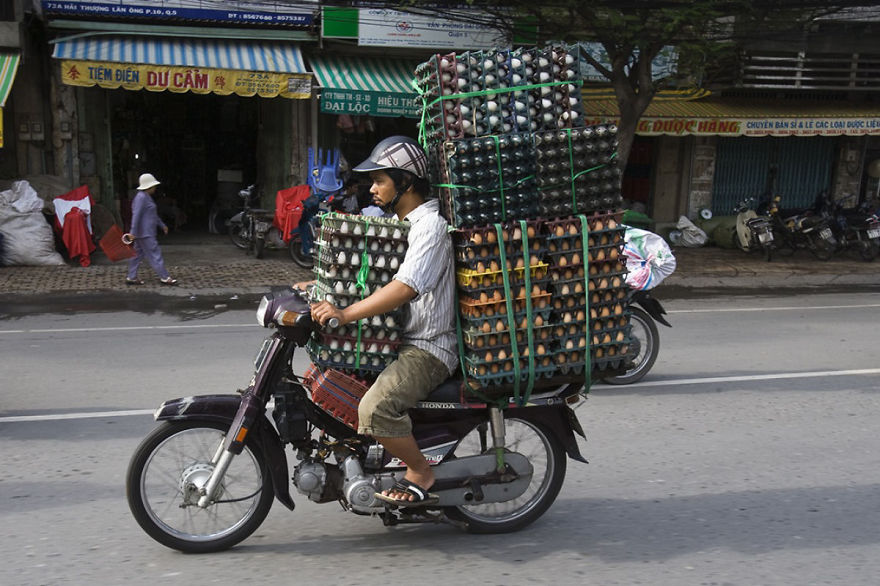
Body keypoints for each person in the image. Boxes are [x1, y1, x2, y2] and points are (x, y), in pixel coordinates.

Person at [302, 136, 457, 507]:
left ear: (405, 182)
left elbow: (404, 287)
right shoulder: (403, 223)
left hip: (427, 347)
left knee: (374, 409)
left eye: (380, 180)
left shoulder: (430, 227)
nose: (372, 188)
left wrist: (344, 314)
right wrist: (322, 286)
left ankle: (420, 470)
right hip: (399, 340)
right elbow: (376, 279)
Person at [124, 173, 178, 286]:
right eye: (154, 186)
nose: (155, 188)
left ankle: (131, 276)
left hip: (143, 233)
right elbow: (136, 215)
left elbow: (152, 214)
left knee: (137, 255)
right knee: (155, 254)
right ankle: (164, 277)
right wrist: (132, 232)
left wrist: (162, 225)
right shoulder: (142, 198)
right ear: (149, 187)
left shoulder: (144, 197)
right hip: (145, 233)